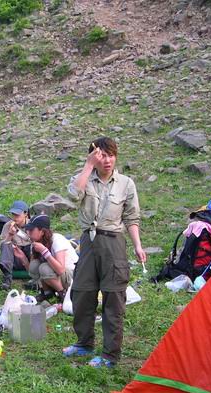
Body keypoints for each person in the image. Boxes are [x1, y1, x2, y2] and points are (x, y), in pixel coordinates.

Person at [64, 137, 146, 369]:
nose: (107, 160)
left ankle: (110, 354)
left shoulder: (126, 183)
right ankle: (84, 343)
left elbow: (131, 217)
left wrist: (138, 245)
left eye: (111, 155)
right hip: (88, 242)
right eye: (102, 156)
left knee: (113, 298)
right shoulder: (84, 178)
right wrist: (88, 165)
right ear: (93, 157)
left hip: (113, 243)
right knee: (82, 293)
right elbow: (73, 195)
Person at [12, 214, 77, 302]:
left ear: (42, 231)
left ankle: (63, 294)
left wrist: (44, 252)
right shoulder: (35, 243)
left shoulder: (57, 240)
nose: (28, 232)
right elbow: (32, 271)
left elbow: (61, 270)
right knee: (35, 265)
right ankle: (47, 293)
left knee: (44, 267)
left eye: (31, 230)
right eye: (27, 230)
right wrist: (22, 257)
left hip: (73, 277)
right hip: (58, 277)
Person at [0, 200, 32, 290]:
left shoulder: (33, 225)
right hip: (15, 259)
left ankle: (36, 277)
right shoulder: (8, 226)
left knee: (33, 246)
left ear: (25, 214)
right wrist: (10, 235)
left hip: (30, 257)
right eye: (13, 214)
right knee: (6, 244)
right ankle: (7, 278)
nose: (15, 217)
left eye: (17, 215)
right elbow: (1, 246)